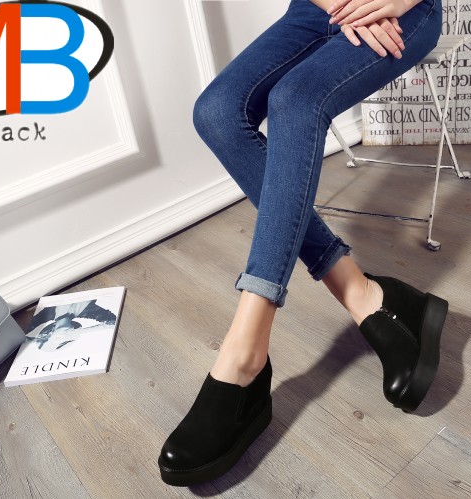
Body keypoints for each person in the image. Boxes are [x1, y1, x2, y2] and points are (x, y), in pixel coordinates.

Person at [158, 0, 448, 486]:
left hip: (404, 9)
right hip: (317, 6)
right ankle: (367, 295)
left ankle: (245, 354)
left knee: (296, 100)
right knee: (216, 112)